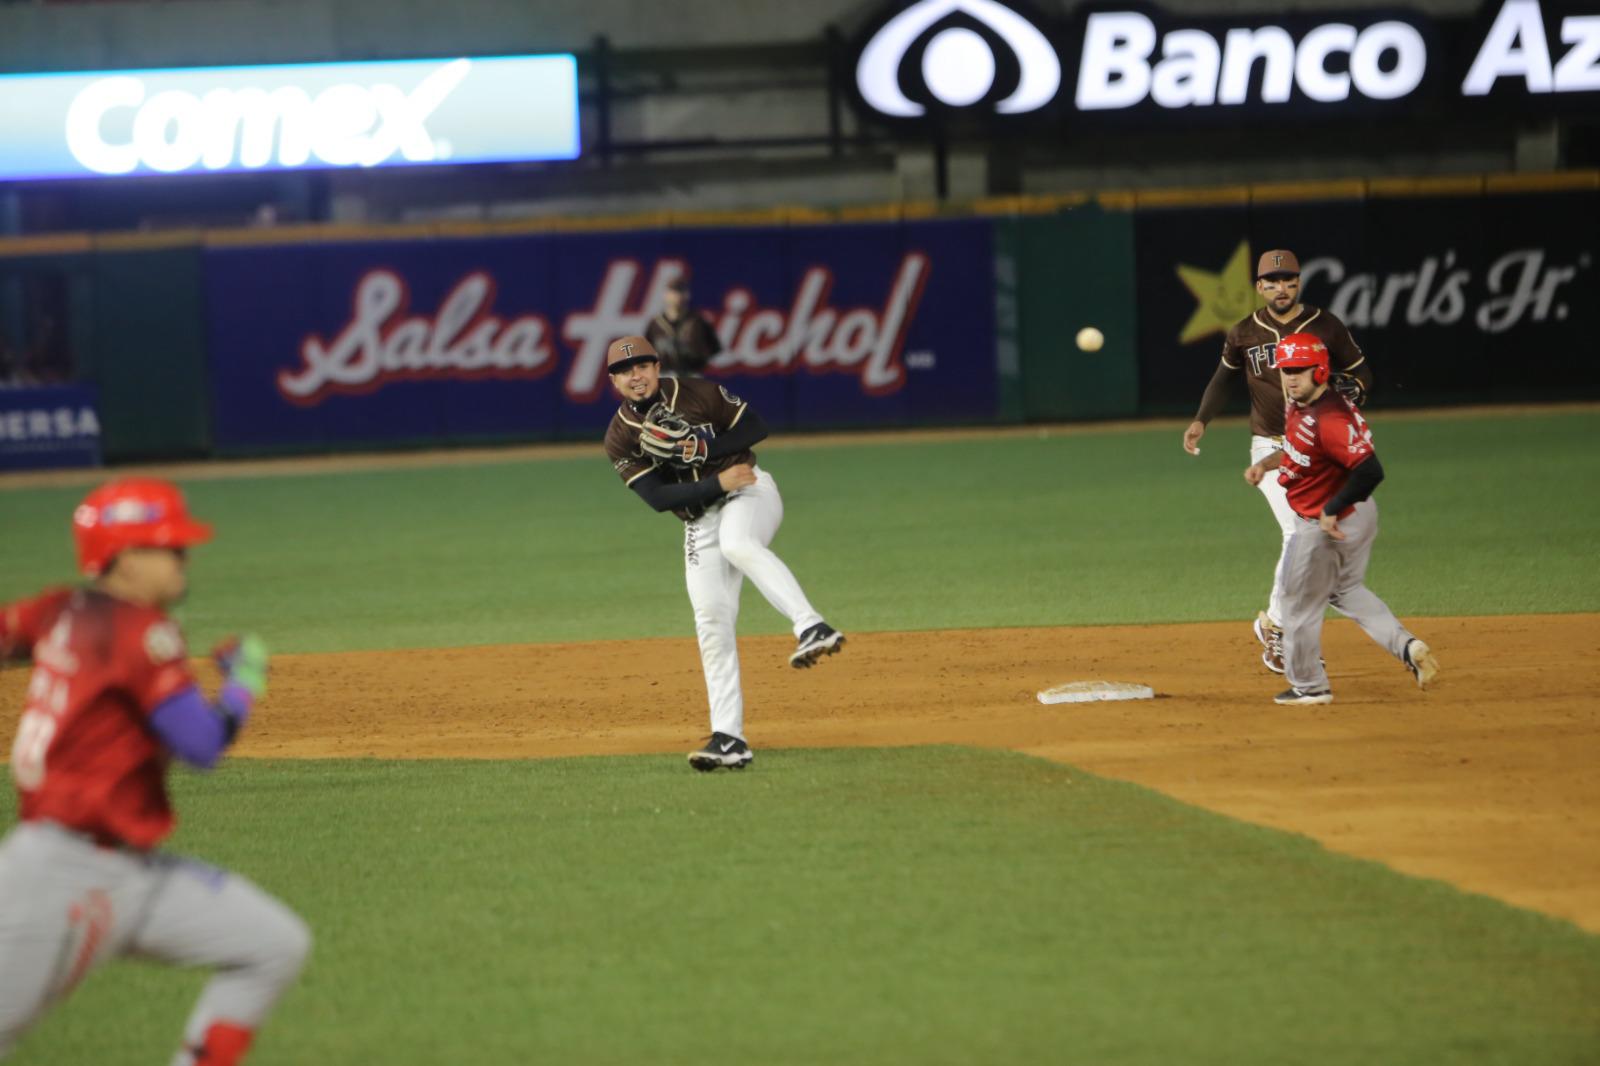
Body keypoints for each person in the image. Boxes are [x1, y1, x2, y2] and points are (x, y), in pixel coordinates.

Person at [0, 477, 310, 1065]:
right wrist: (243, 684)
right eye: (169, 547)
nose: (183, 559)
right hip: (62, 875)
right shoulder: (145, 633)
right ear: (124, 558)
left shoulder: (59, 609)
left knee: (273, 945)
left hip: (130, 870)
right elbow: (203, 744)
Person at [601, 335, 843, 771]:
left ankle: (811, 625)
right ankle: (730, 738)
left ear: (657, 367)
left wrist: (708, 450)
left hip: (749, 491)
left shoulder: (698, 392)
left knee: (738, 543)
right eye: (623, 371)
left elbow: (755, 427)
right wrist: (714, 482)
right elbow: (658, 498)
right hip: (700, 517)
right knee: (711, 620)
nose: (634, 376)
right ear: (614, 381)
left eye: (641, 366)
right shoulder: (620, 437)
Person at [1182, 248, 1375, 675]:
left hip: (1320, 449)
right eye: (1272, 281)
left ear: (1298, 283)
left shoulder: (1326, 326)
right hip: (1270, 447)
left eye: (1289, 280)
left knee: (1322, 541)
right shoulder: (1244, 332)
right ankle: (1281, 632)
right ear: (1260, 287)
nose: (1281, 288)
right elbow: (1222, 379)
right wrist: (1201, 421)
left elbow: (1363, 373)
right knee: (1299, 533)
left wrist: (1355, 390)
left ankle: (1278, 624)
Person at [1241, 334, 1439, 705]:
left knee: (1296, 602)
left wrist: (1331, 511)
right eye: (1286, 370)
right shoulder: (1303, 404)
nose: (1290, 378)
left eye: (1299, 370)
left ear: (1320, 371)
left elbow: (1370, 470)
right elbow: (1299, 448)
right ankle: (1408, 647)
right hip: (1353, 513)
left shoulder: (1329, 417)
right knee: (1346, 591)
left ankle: (1310, 686)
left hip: (1328, 521)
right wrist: (1265, 464)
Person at [645, 276, 722, 378]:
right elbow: (646, 352)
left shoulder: (698, 322)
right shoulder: (656, 324)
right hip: (664, 376)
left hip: (692, 375)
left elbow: (715, 348)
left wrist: (696, 358)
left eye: (681, 291)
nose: (677, 296)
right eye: (673, 292)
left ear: (687, 295)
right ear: (665, 295)